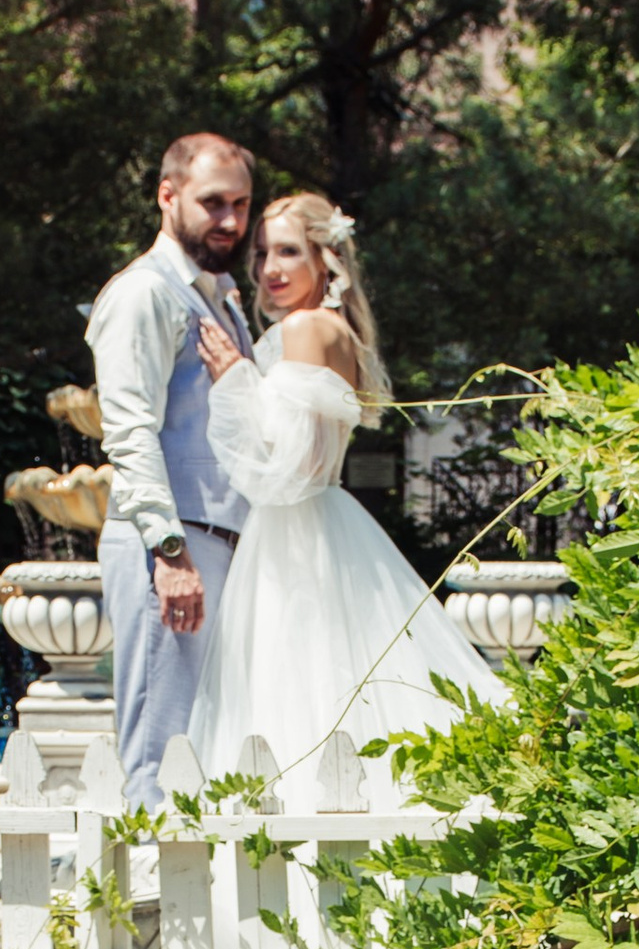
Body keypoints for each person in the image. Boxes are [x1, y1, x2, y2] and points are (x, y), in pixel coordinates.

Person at [184, 194, 501, 792]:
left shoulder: (305, 327)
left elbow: (294, 468)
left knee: (296, 684)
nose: (268, 269)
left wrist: (234, 381)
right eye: (260, 253)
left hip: (296, 532)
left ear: (325, 261)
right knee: (332, 682)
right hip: (322, 524)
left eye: (288, 251)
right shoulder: (333, 329)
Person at [86, 133, 259, 804]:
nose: (231, 222)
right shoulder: (143, 294)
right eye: (213, 202)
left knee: (202, 749)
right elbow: (129, 432)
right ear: (167, 194)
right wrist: (169, 551)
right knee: (160, 754)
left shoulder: (217, 297)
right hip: (172, 541)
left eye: (241, 204)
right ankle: (146, 907)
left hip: (217, 541)